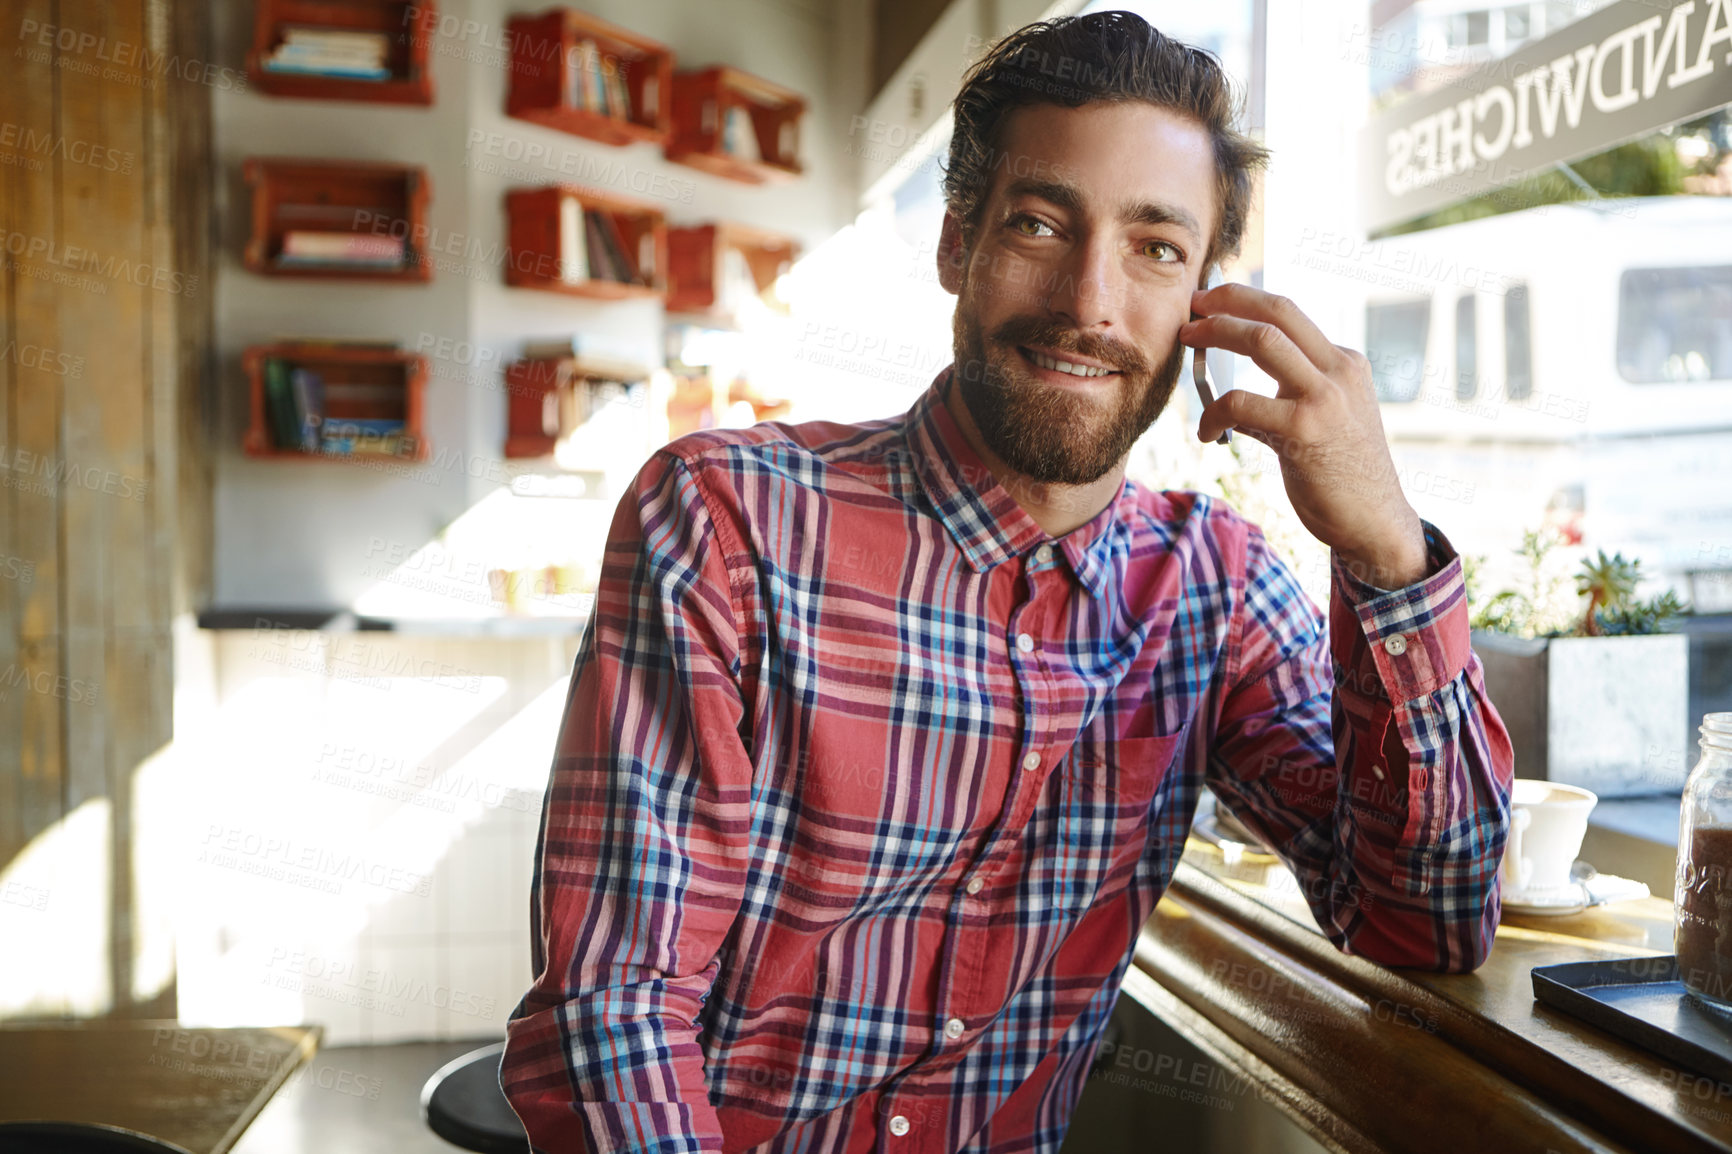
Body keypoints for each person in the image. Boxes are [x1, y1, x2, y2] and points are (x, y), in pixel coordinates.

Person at [500, 11, 1515, 1153]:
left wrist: (1383, 550)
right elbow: (615, 1010)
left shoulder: (1213, 584)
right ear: (955, 245)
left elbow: (1422, 916)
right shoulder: (727, 516)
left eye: (1155, 247)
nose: (1090, 299)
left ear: (1203, 304)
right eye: (1040, 222)